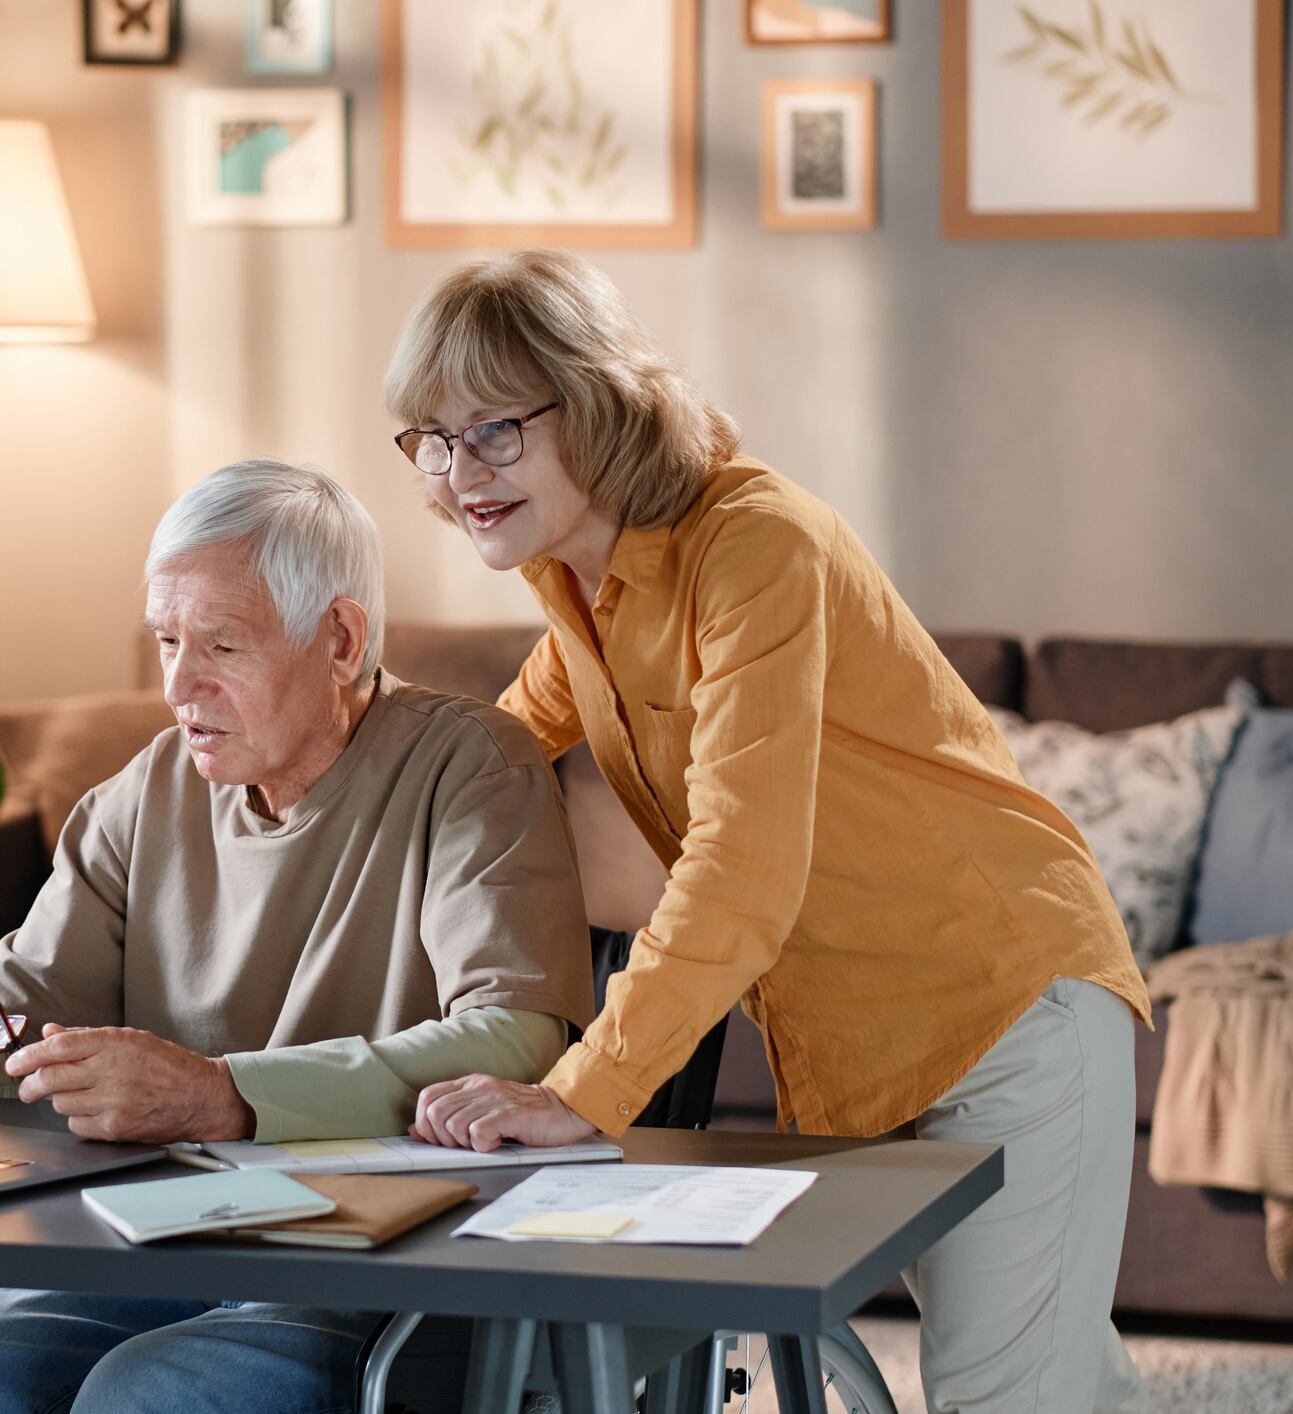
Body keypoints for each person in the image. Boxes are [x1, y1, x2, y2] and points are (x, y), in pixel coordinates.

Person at [382, 249, 1151, 1413]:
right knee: (1056, 1373)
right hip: (873, 1036)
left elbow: (739, 871)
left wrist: (582, 1093)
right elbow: (481, 764)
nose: (459, 472)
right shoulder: (578, 590)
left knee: (1013, 1392)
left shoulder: (753, 547)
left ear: (591, 404)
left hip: (1007, 1003)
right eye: (434, 439)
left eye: (494, 430)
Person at [0, 459, 593, 1414]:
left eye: (220, 645)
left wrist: (224, 1097)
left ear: (340, 639)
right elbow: (24, 1004)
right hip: (155, 1236)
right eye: (165, 640)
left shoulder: (470, 766)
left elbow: (518, 1036)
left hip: (378, 1267)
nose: (179, 685)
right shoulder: (143, 792)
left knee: (147, 1393)